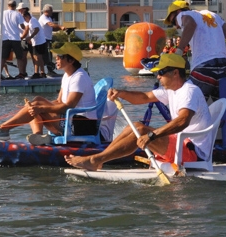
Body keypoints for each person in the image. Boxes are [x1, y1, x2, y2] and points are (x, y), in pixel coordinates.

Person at [65, 53, 211, 171]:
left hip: (193, 152)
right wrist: (121, 93)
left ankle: (95, 160)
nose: (158, 76)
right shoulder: (172, 90)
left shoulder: (189, 91)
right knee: (133, 126)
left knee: (141, 130)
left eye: (161, 72)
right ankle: (99, 159)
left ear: (175, 73)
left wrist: (152, 135)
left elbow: (182, 121)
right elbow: (144, 97)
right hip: (181, 144)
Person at [0, 43, 97, 142]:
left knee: (38, 106)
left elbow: (69, 106)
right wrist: (34, 108)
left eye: (60, 56)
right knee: (37, 100)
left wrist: (40, 109)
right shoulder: (67, 75)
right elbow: (59, 101)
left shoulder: (79, 77)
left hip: (80, 125)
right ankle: (38, 136)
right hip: (71, 119)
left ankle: (3, 129)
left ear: (71, 60)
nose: (56, 58)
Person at [165, 0, 226, 100]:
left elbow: (191, 24)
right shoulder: (213, 15)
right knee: (222, 110)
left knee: (190, 107)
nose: (177, 26)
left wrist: (179, 51)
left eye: (174, 21)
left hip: (204, 68)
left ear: (178, 12)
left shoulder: (183, 14)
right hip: (223, 69)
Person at [0, 0, 28, 78]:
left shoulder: (2, 13)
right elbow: (22, 26)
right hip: (15, 38)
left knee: (3, 57)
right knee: (19, 56)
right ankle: (21, 73)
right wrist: (25, 29)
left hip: (5, 38)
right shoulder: (17, 14)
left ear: (8, 5)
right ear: (15, 6)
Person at [18, 4, 45, 78]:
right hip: (35, 41)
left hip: (38, 41)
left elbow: (37, 29)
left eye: (24, 18)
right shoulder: (30, 21)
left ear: (27, 16)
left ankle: (37, 73)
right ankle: (41, 72)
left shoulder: (32, 20)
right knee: (38, 57)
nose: (24, 20)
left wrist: (30, 37)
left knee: (37, 57)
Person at [38, 4, 62, 76]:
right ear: (47, 11)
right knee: (46, 55)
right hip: (44, 39)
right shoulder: (43, 17)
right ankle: (47, 71)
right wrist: (61, 26)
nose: (52, 12)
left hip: (48, 39)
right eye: (51, 10)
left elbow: (52, 28)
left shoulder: (49, 18)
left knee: (49, 55)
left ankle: (50, 70)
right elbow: (51, 24)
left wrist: (62, 29)